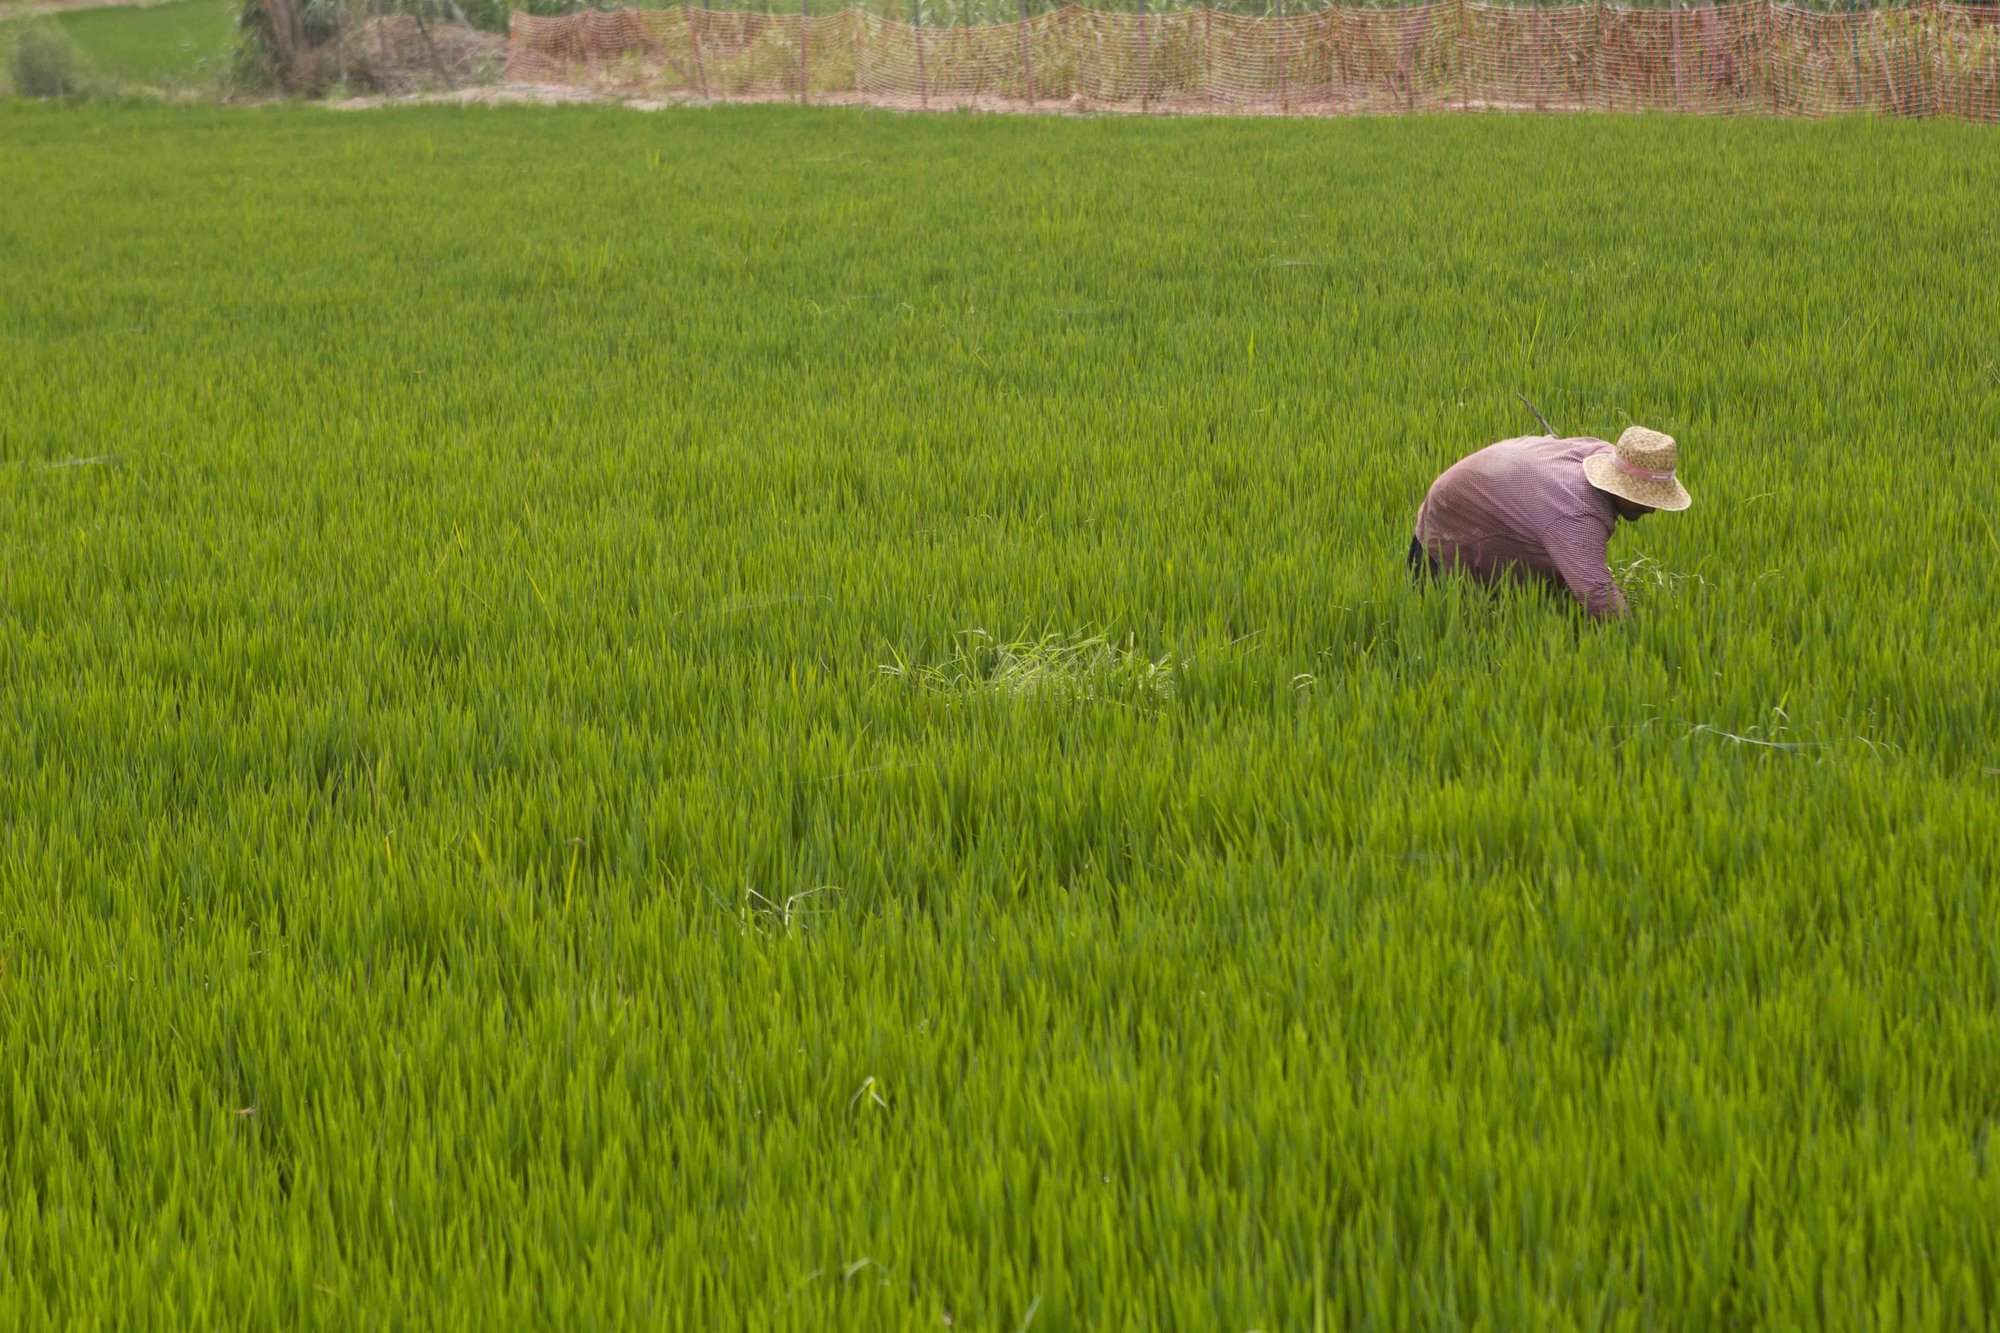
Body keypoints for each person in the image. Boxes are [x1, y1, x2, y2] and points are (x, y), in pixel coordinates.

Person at [1409, 426, 1692, 619]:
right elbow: (1597, 597)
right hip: (1450, 529)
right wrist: (1640, 642)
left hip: (1493, 491)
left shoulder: (1601, 452)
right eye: (1646, 499)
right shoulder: (1575, 515)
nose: (1652, 511)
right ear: (1620, 488)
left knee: (1545, 592)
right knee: (1457, 628)